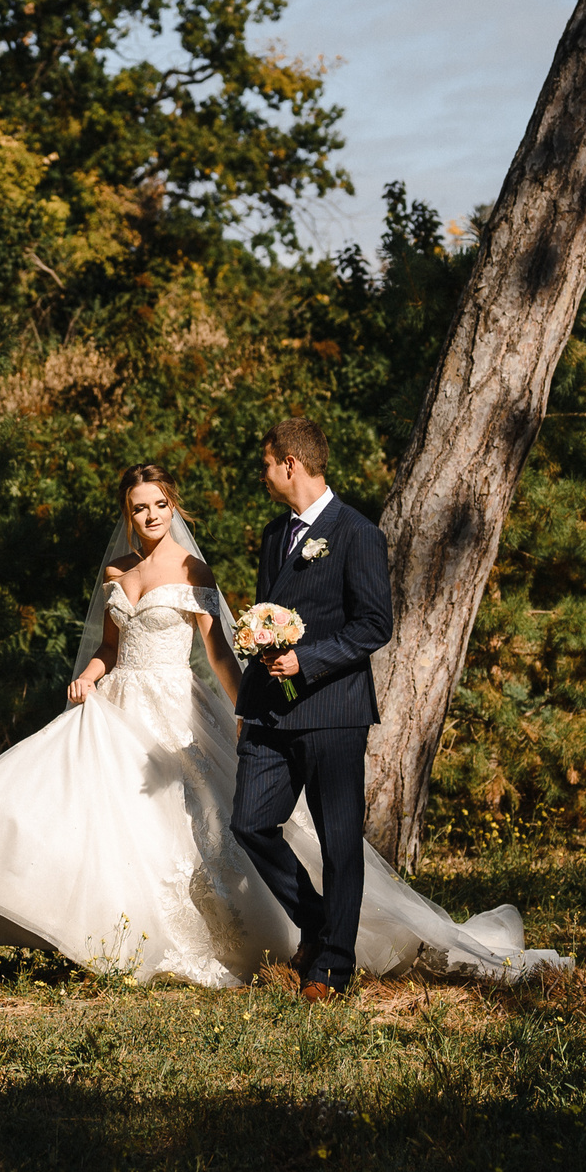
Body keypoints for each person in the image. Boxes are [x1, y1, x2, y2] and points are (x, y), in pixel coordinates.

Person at [0, 456, 567, 989]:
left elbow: (220, 651)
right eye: (139, 508)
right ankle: (107, 937)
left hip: (175, 705)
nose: (151, 516)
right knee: (92, 816)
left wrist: (246, 711)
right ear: (127, 515)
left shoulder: (194, 569)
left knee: (215, 824)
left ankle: (283, 932)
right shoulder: (116, 573)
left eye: (160, 505)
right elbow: (110, 648)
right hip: (119, 707)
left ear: (174, 508)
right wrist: (89, 674)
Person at [231, 417, 388, 999]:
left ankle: (332, 967)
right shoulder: (276, 535)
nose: (265, 474)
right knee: (249, 822)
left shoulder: (357, 533)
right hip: (271, 712)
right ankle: (319, 922)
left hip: (333, 710)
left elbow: (376, 625)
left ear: (290, 464)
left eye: (268, 464)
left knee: (339, 839)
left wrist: (309, 659)